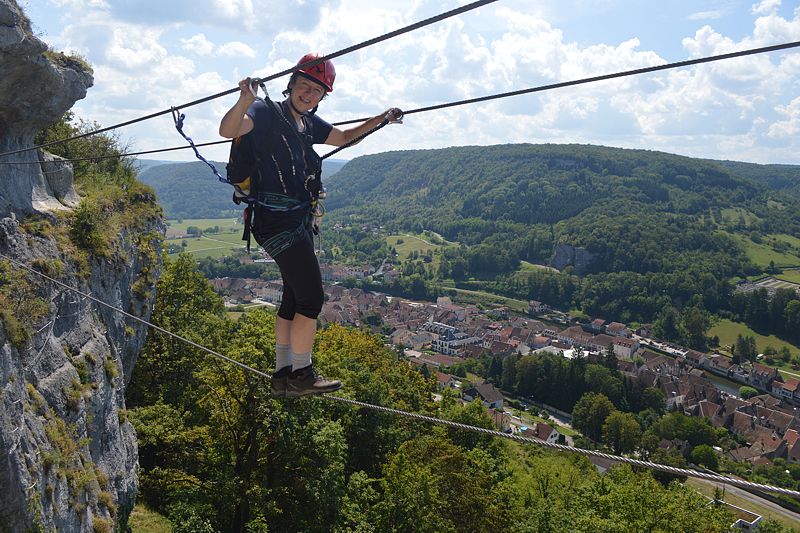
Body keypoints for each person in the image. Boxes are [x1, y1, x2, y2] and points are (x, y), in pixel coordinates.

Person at [219, 53, 402, 398]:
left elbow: (345, 137)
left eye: (317, 90)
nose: (308, 93)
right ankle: (303, 373)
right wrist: (245, 99)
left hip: (293, 218)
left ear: (322, 97)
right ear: (291, 85)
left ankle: (283, 373)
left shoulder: (307, 124)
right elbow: (228, 130)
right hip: (276, 220)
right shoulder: (265, 112)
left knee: (293, 297)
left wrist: (381, 119)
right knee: (312, 299)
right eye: (304, 85)